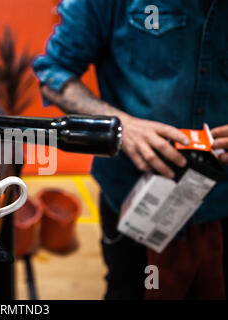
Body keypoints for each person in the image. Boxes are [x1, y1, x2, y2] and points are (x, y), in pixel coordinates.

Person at [33, 0, 228, 299]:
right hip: (133, 196)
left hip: (222, 201)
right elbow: (53, 72)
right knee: (132, 290)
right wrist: (121, 125)